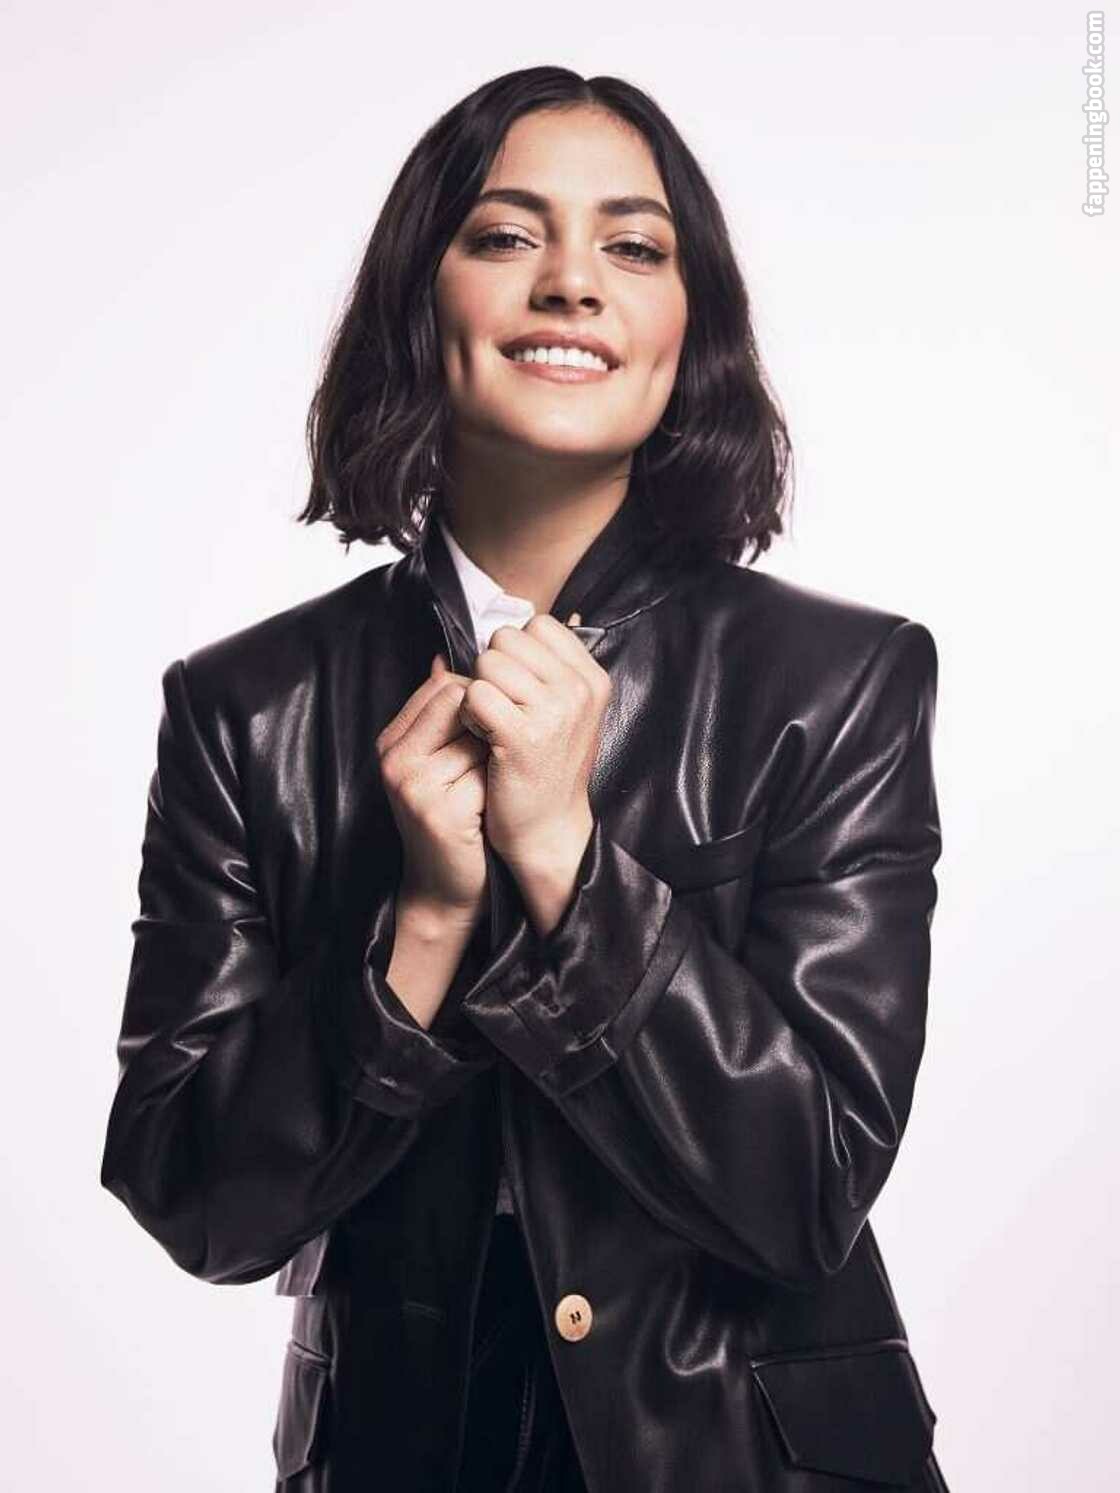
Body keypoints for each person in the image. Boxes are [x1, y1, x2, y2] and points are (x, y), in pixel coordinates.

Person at [101, 65, 950, 1492]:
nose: (572, 283)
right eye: (506, 236)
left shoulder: (840, 682)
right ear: (417, 299)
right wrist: (422, 927)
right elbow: (194, 1196)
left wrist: (568, 861)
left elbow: (808, 1189)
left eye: (634, 245)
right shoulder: (245, 708)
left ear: (689, 327)